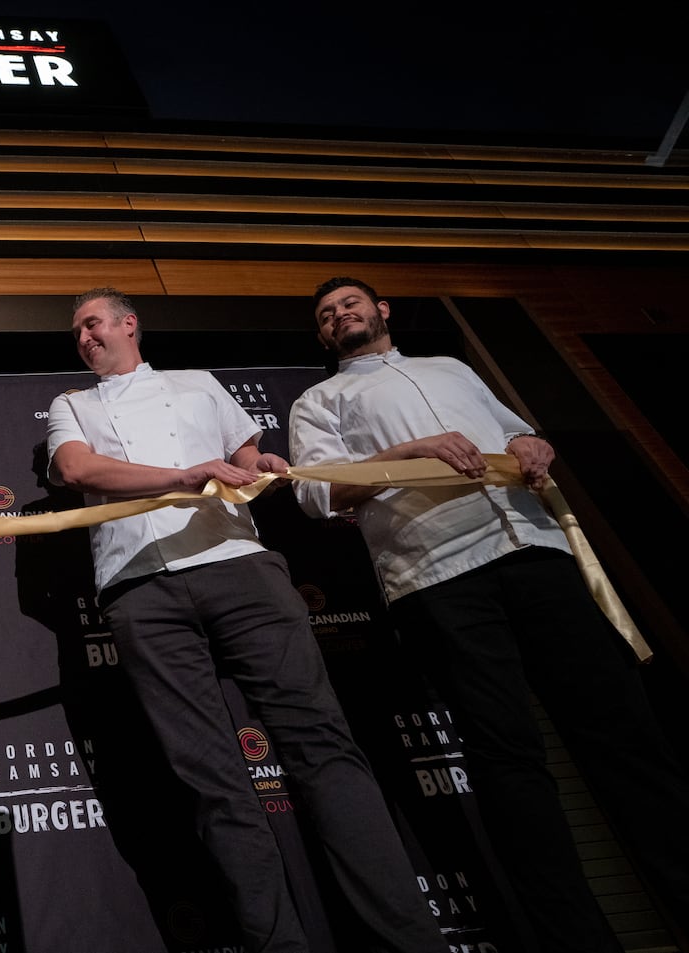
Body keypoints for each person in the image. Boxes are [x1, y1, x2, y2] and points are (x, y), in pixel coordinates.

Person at [288, 276, 689, 953]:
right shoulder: (320, 399)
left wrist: (534, 443)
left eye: (350, 304)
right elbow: (318, 493)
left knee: (626, 737)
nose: (340, 316)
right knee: (508, 761)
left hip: (537, 552)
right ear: (324, 336)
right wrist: (410, 451)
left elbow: (518, 434)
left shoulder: (451, 367)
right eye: (327, 315)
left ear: (381, 310)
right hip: (437, 577)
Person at [45, 288, 445, 953]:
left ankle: (413, 943)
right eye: (77, 331)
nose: (84, 336)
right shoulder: (71, 404)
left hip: (239, 565)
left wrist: (262, 463)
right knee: (212, 778)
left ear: (127, 323)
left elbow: (247, 452)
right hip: (140, 588)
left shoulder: (198, 383)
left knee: (325, 749)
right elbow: (77, 467)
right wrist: (179, 475)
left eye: (93, 322)